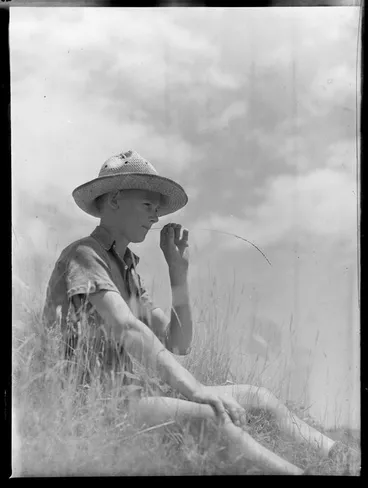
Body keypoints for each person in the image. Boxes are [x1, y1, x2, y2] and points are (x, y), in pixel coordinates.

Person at [43, 149, 358, 475]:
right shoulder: (85, 254)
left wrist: (177, 272)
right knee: (215, 416)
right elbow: (127, 327)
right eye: (148, 205)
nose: (155, 217)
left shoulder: (128, 271)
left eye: (157, 209)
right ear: (114, 201)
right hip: (99, 405)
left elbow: (178, 343)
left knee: (257, 397)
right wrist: (196, 390)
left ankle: (345, 461)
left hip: (134, 397)